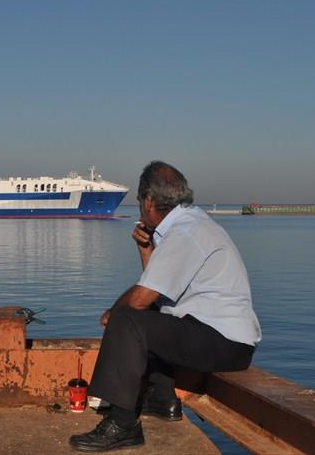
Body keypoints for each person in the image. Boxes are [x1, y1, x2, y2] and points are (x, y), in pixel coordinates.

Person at [70, 161, 261, 452]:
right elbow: (158, 292)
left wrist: (113, 313)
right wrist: (146, 250)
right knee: (147, 315)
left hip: (224, 342)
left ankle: (122, 424)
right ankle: (162, 400)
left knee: (127, 319)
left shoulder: (185, 232)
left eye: (138, 200)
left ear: (148, 200)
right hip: (221, 338)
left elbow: (139, 300)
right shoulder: (188, 225)